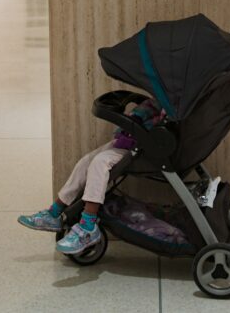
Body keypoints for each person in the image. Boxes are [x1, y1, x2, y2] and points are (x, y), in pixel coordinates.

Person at [18, 98, 165, 255]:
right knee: (86, 162)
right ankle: (54, 212)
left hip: (144, 148)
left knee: (99, 163)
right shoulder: (164, 96)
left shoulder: (173, 105)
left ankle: (88, 226)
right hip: (130, 141)